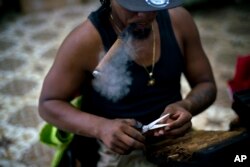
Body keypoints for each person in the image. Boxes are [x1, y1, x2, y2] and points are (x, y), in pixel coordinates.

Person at [38, 0, 217, 166]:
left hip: (175, 139)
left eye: (150, 4)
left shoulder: (179, 20)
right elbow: (48, 104)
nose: (144, 15)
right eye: (133, 4)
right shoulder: (85, 41)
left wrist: (187, 105)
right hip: (116, 149)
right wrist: (101, 128)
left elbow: (206, 83)